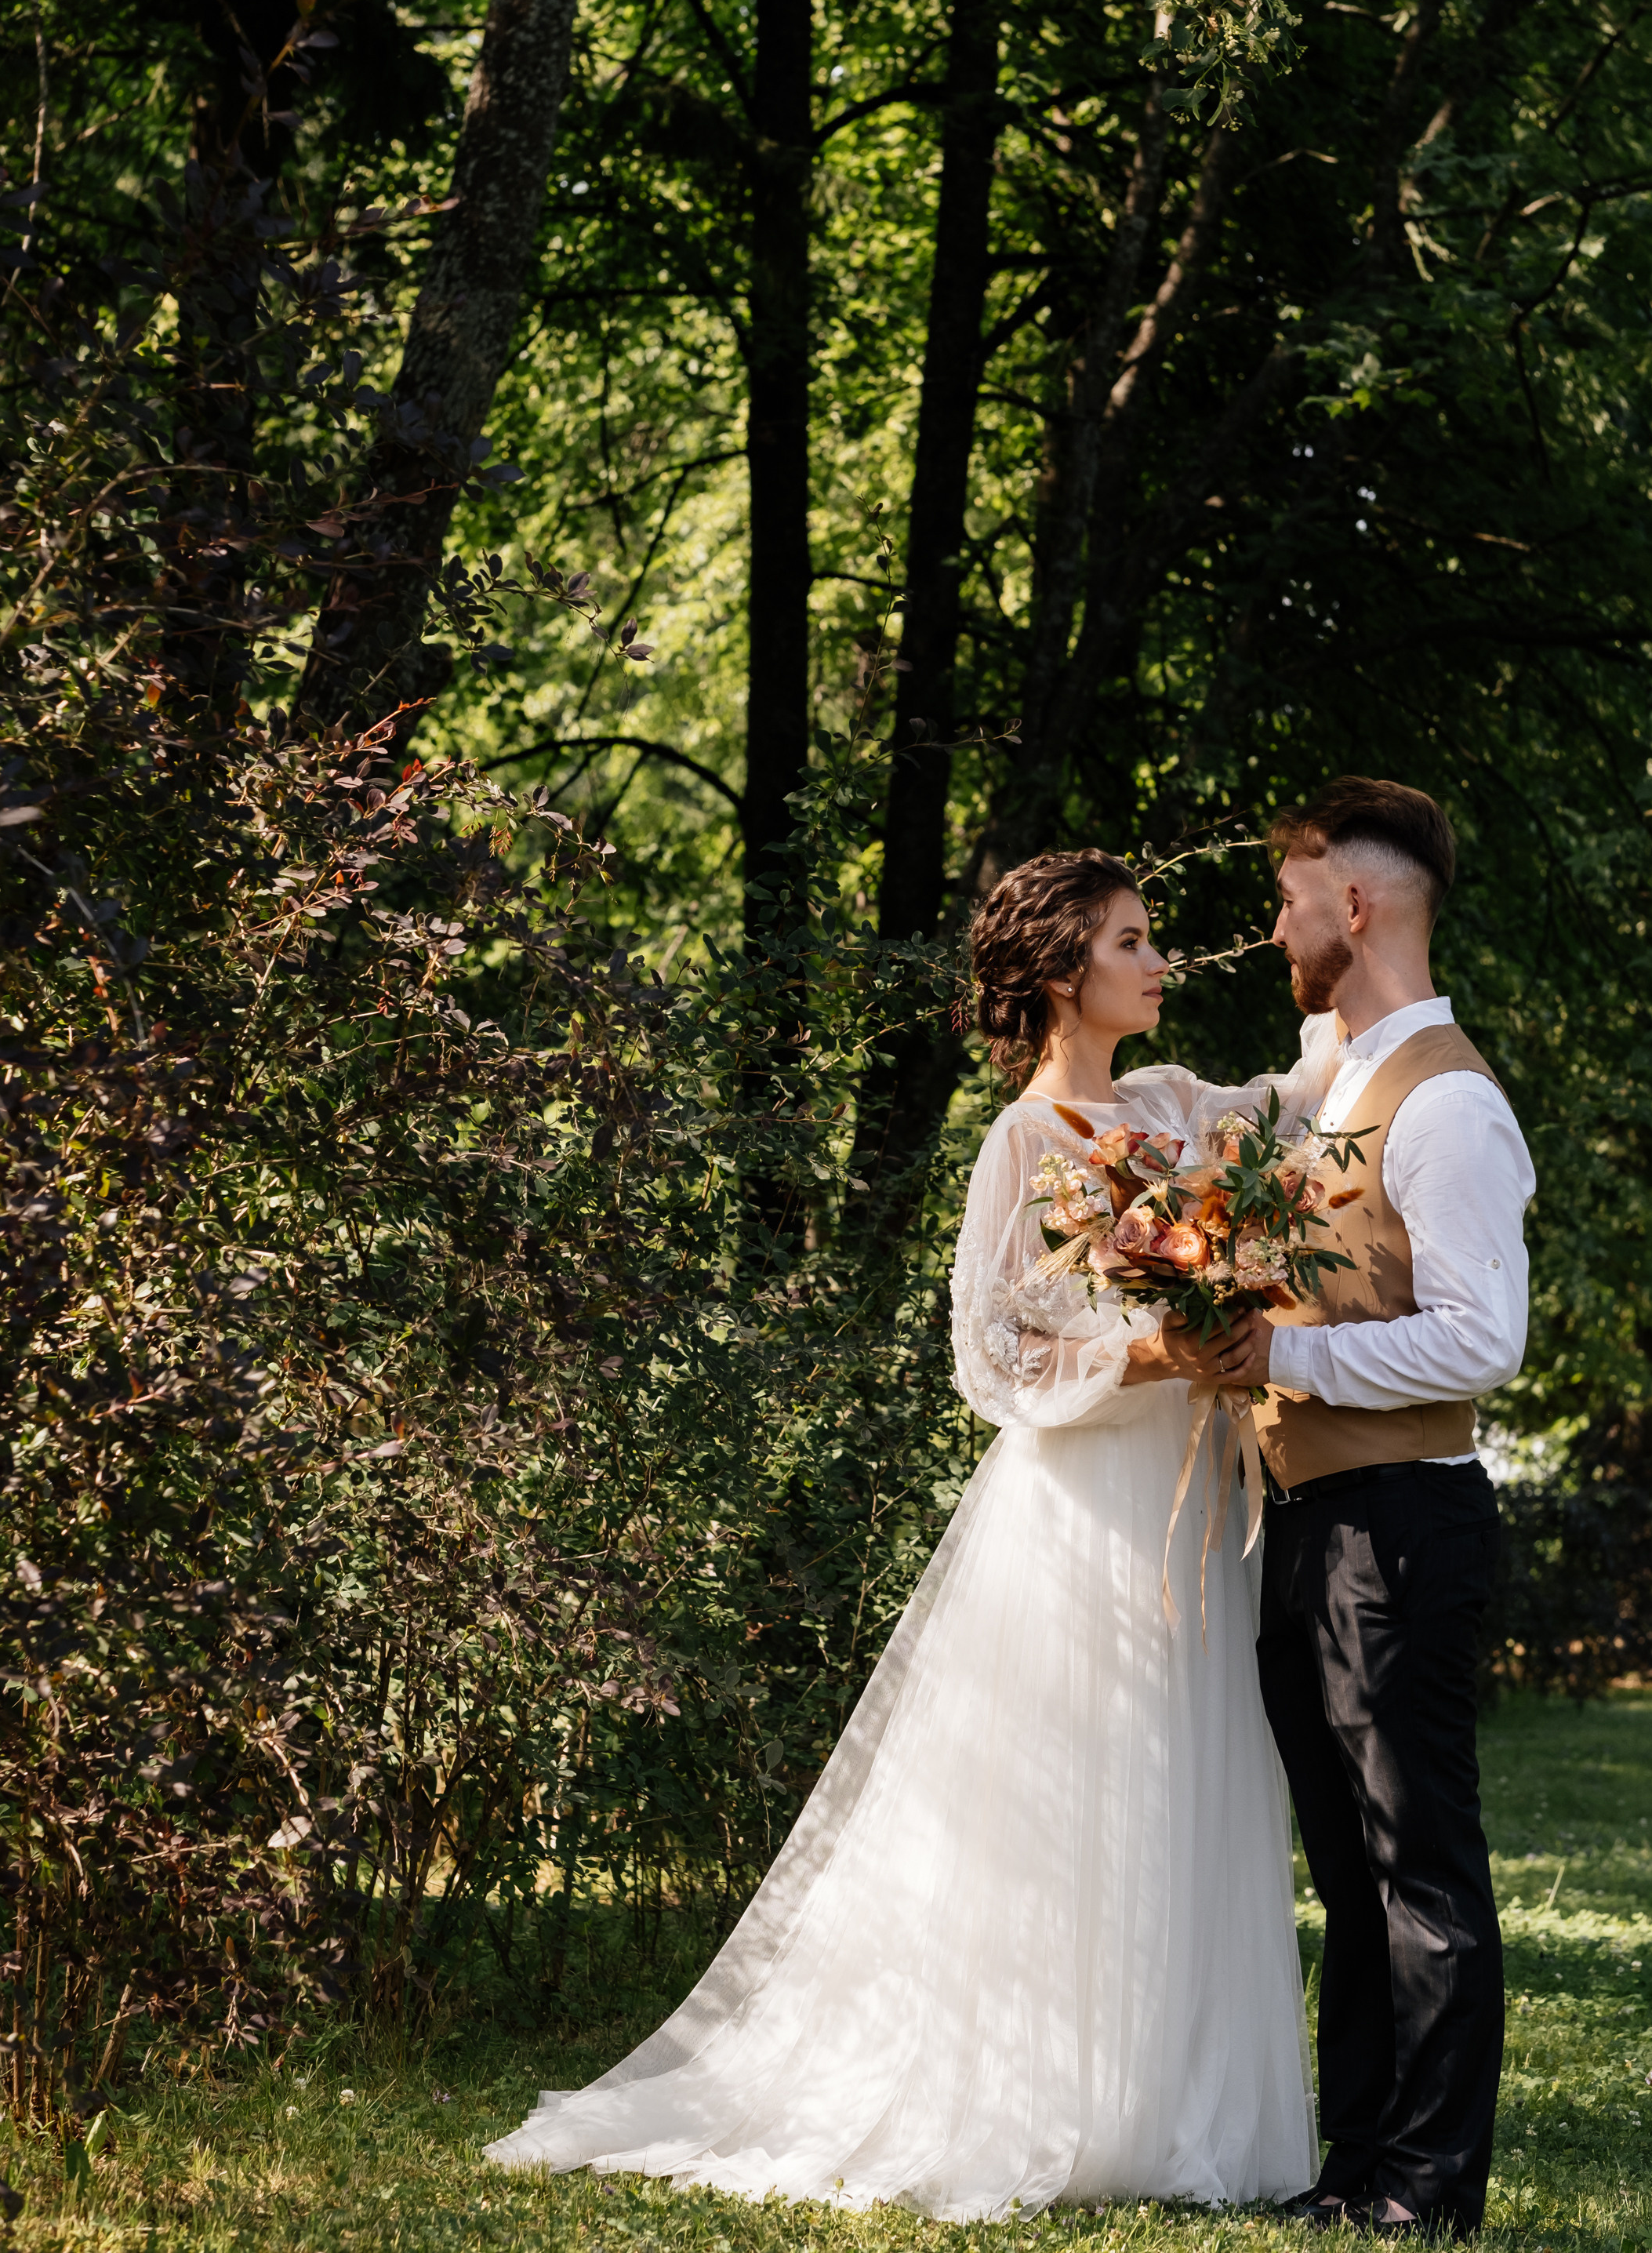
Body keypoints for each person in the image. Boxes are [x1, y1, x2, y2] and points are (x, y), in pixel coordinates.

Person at [485, 849, 1330, 2218]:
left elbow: (1297, 1105)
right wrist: (1151, 1351)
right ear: (1065, 973)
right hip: (1084, 1508)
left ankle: (1173, 2108)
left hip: (1193, 1501)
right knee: (1088, 1784)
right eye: (1132, 941)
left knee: (1190, 1773)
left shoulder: (1176, 1106)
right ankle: (1049, 2095)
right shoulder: (1020, 1145)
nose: (1159, 961)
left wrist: (1362, 973)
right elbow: (990, 1362)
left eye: (1150, 939)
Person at [1207, 779, 1534, 2242]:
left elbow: (1482, 1338)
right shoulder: (1338, 1081)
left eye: (1289, 897)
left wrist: (1286, 1355)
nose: (1272, 923)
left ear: (1356, 906)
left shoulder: (1448, 1101)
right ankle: (1353, 2166)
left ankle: (1429, 2187)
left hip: (1405, 1522)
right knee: (1346, 1874)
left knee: (1419, 1868)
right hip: (1309, 1523)